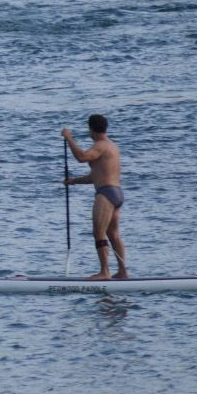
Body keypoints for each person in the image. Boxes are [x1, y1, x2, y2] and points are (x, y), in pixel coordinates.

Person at [62, 116, 127, 280]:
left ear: (91, 129)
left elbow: (81, 157)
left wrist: (69, 138)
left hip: (105, 194)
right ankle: (122, 271)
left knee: (98, 232)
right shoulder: (112, 146)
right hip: (116, 193)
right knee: (113, 234)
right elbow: (96, 176)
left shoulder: (100, 146)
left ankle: (104, 272)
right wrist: (74, 181)